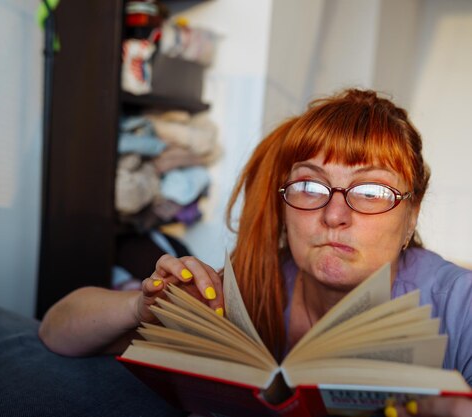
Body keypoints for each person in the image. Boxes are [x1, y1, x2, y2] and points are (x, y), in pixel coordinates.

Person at [39, 89, 472, 417]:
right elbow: (56, 330)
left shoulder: (460, 305)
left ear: (411, 216)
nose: (334, 213)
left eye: (373, 190)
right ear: (285, 206)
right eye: (308, 185)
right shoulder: (250, 285)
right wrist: (142, 306)